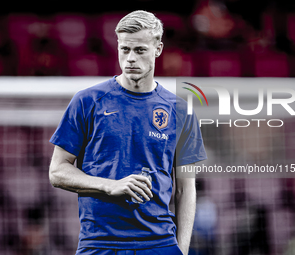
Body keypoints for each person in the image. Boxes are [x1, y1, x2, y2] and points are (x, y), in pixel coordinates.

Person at [49, 10, 207, 255]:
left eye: (140, 50)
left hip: (160, 244)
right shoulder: (87, 101)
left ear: (158, 49)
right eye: (125, 49)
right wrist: (109, 186)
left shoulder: (181, 111)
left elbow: (186, 188)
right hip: (99, 244)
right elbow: (58, 172)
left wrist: (182, 250)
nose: (131, 58)